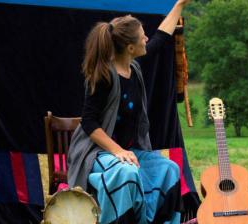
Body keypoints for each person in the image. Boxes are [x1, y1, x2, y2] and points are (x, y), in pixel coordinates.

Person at [67, 0, 191, 223]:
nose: (147, 39)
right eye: (143, 36)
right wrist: (117, 151)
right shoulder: (104, 75)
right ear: (130, 48)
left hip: (128, 152)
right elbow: (89, 122)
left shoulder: (134, 67)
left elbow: (161, 38)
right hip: (97, 153)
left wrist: (180, 4)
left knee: (169, 169)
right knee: (127, 173)